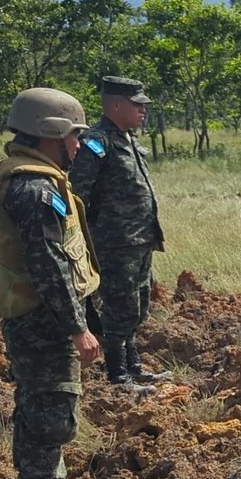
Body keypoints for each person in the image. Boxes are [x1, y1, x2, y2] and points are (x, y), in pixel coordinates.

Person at [0, 87, 103, 479]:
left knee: (37, 400)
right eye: (74, 136)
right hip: (42, 318)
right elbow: (48, 264)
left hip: (35, 312)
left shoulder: (24, 176)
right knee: (51, 408)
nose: (78, 145)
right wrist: (77, 328)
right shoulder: (34, 190)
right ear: (51, 134)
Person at [69, 75, 168, 389]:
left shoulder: (128, 141)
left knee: (137, 307)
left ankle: (134, 367)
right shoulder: (98, 142)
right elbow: (79, 193)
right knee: (119, 309)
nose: (143, 111)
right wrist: (82, 241)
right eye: (136, 105)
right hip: (114, 244)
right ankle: (118, 375)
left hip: (139, 241)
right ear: (115, 104)